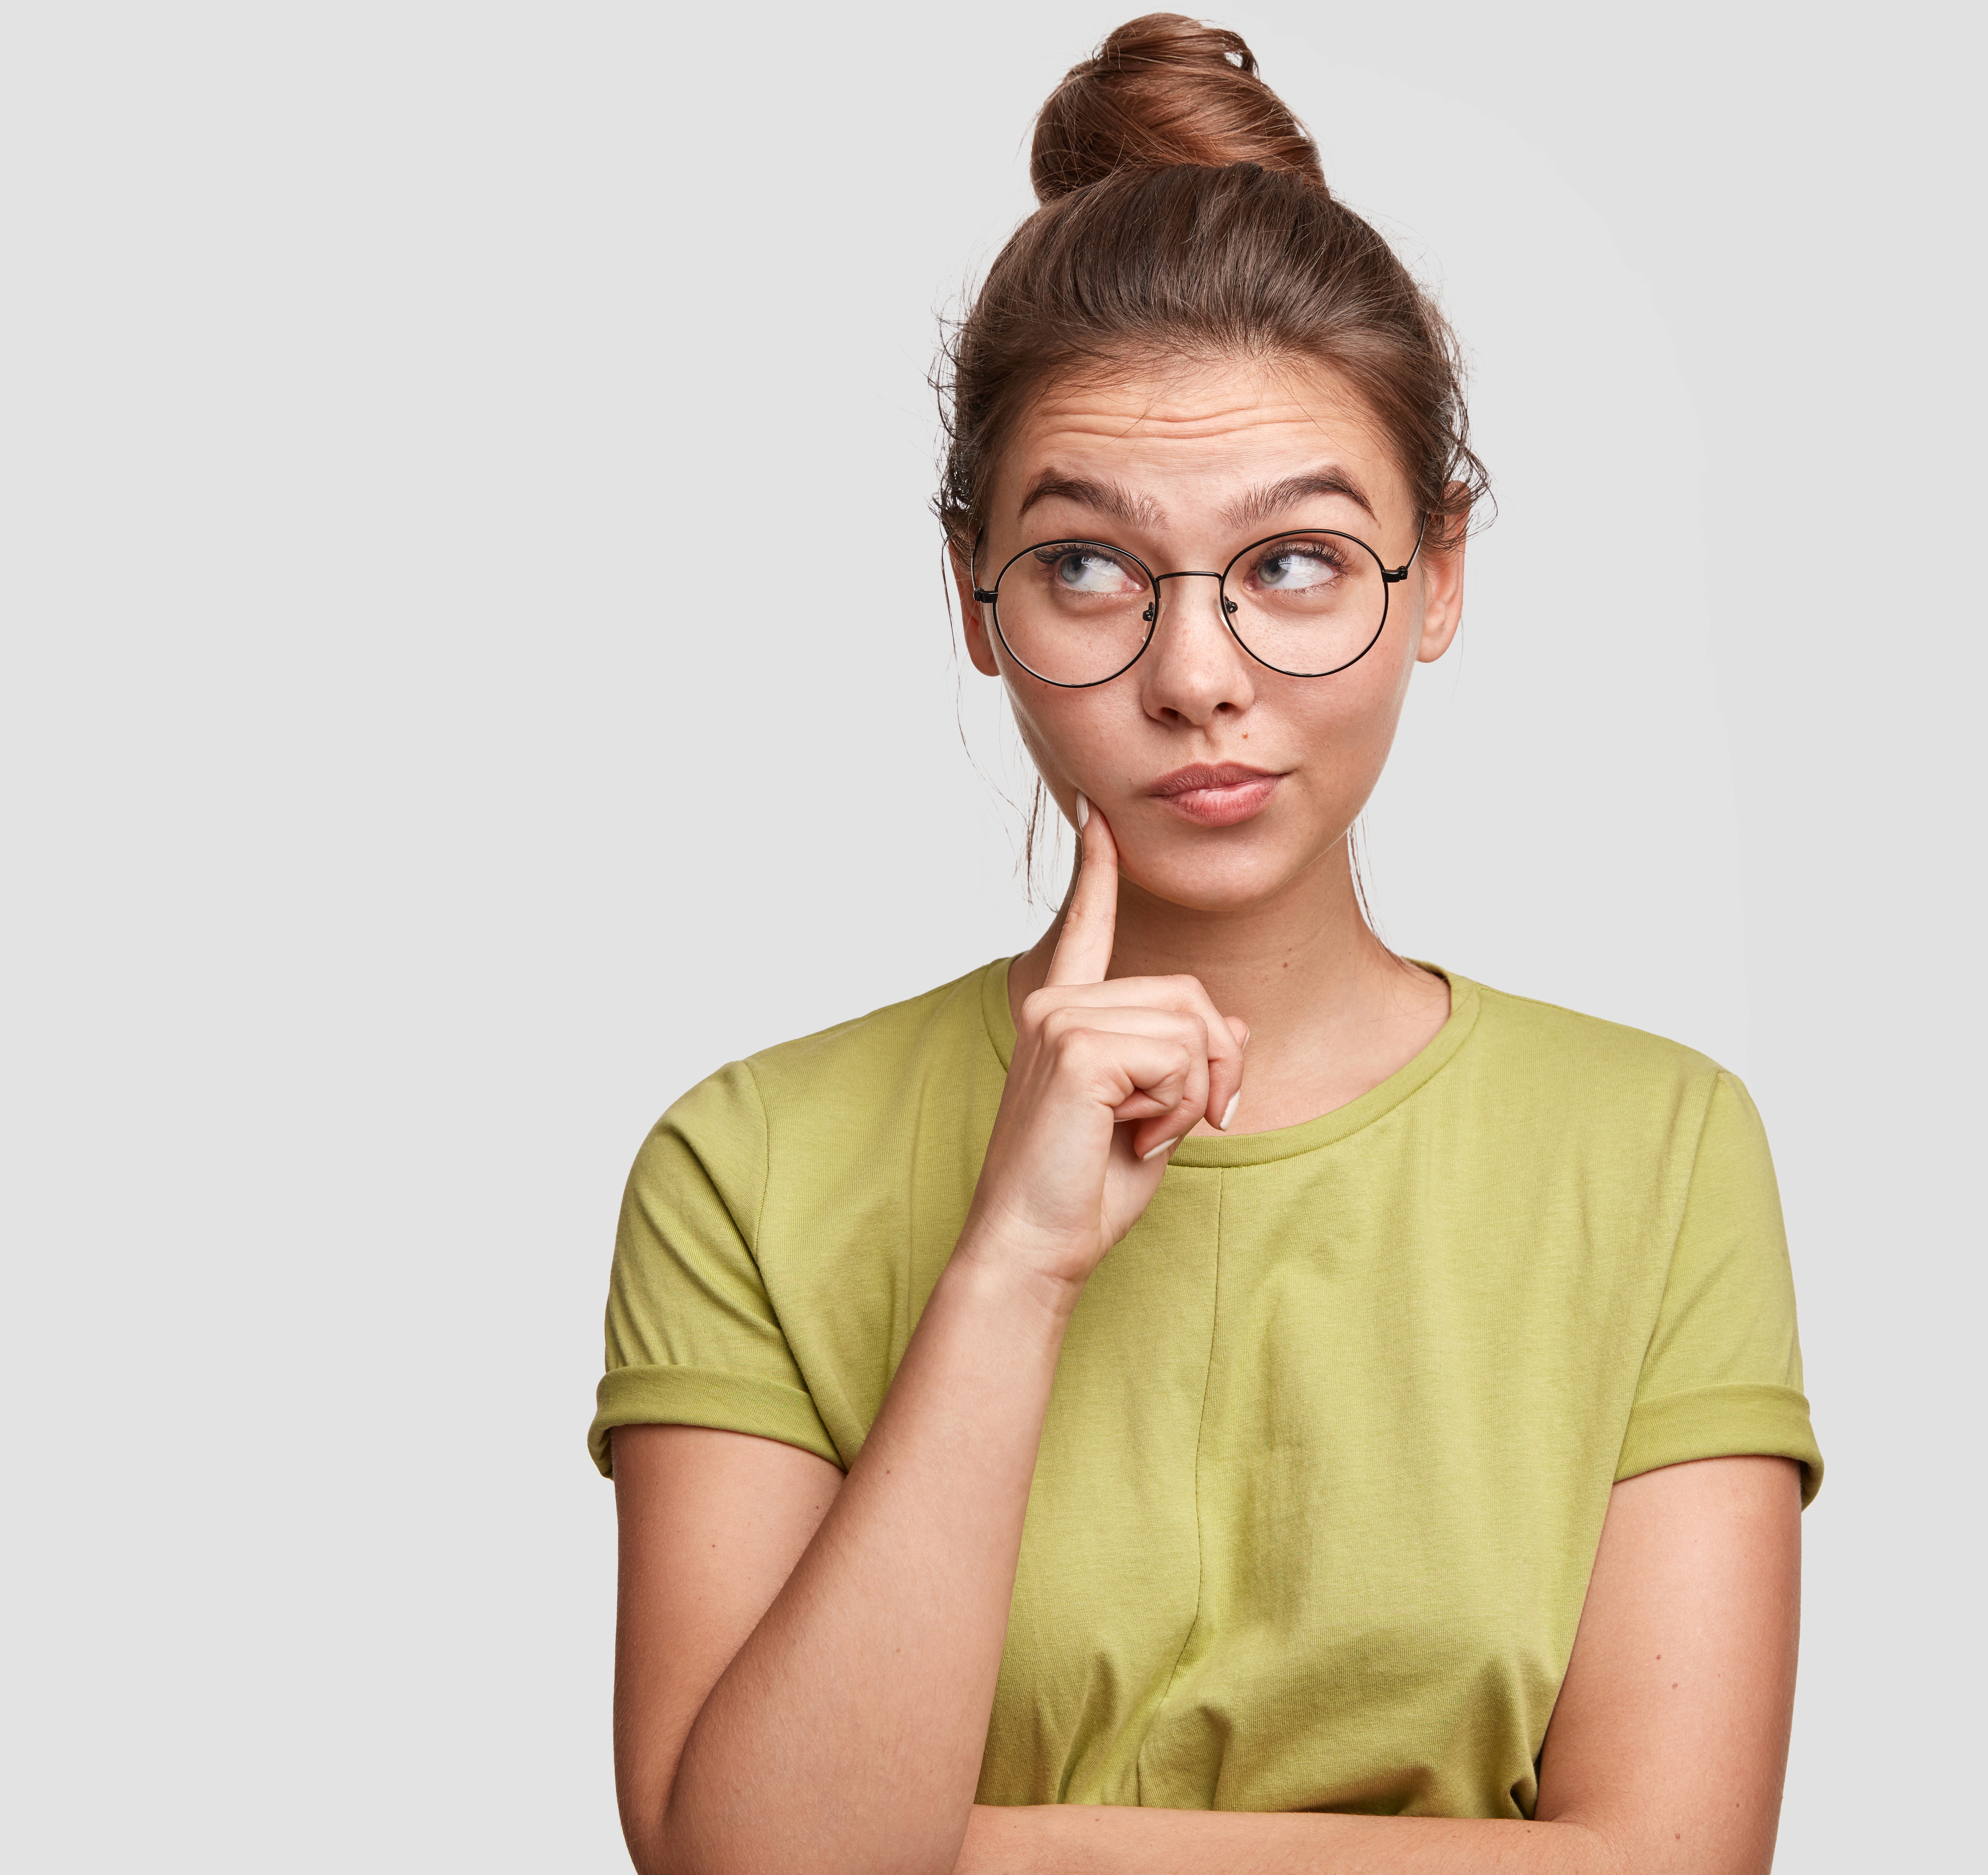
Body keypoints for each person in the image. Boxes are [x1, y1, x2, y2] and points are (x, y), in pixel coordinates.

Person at [586, 16, 1819, 1874]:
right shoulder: (749, 1167)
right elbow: (751, 1872)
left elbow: (1675, 1865)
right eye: (1088, 565)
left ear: (1443, 577)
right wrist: (1013, 1260)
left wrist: (970, 1847)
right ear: (976, 601)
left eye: (1296, 563)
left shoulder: (1655, 1151)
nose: (1197, 676)